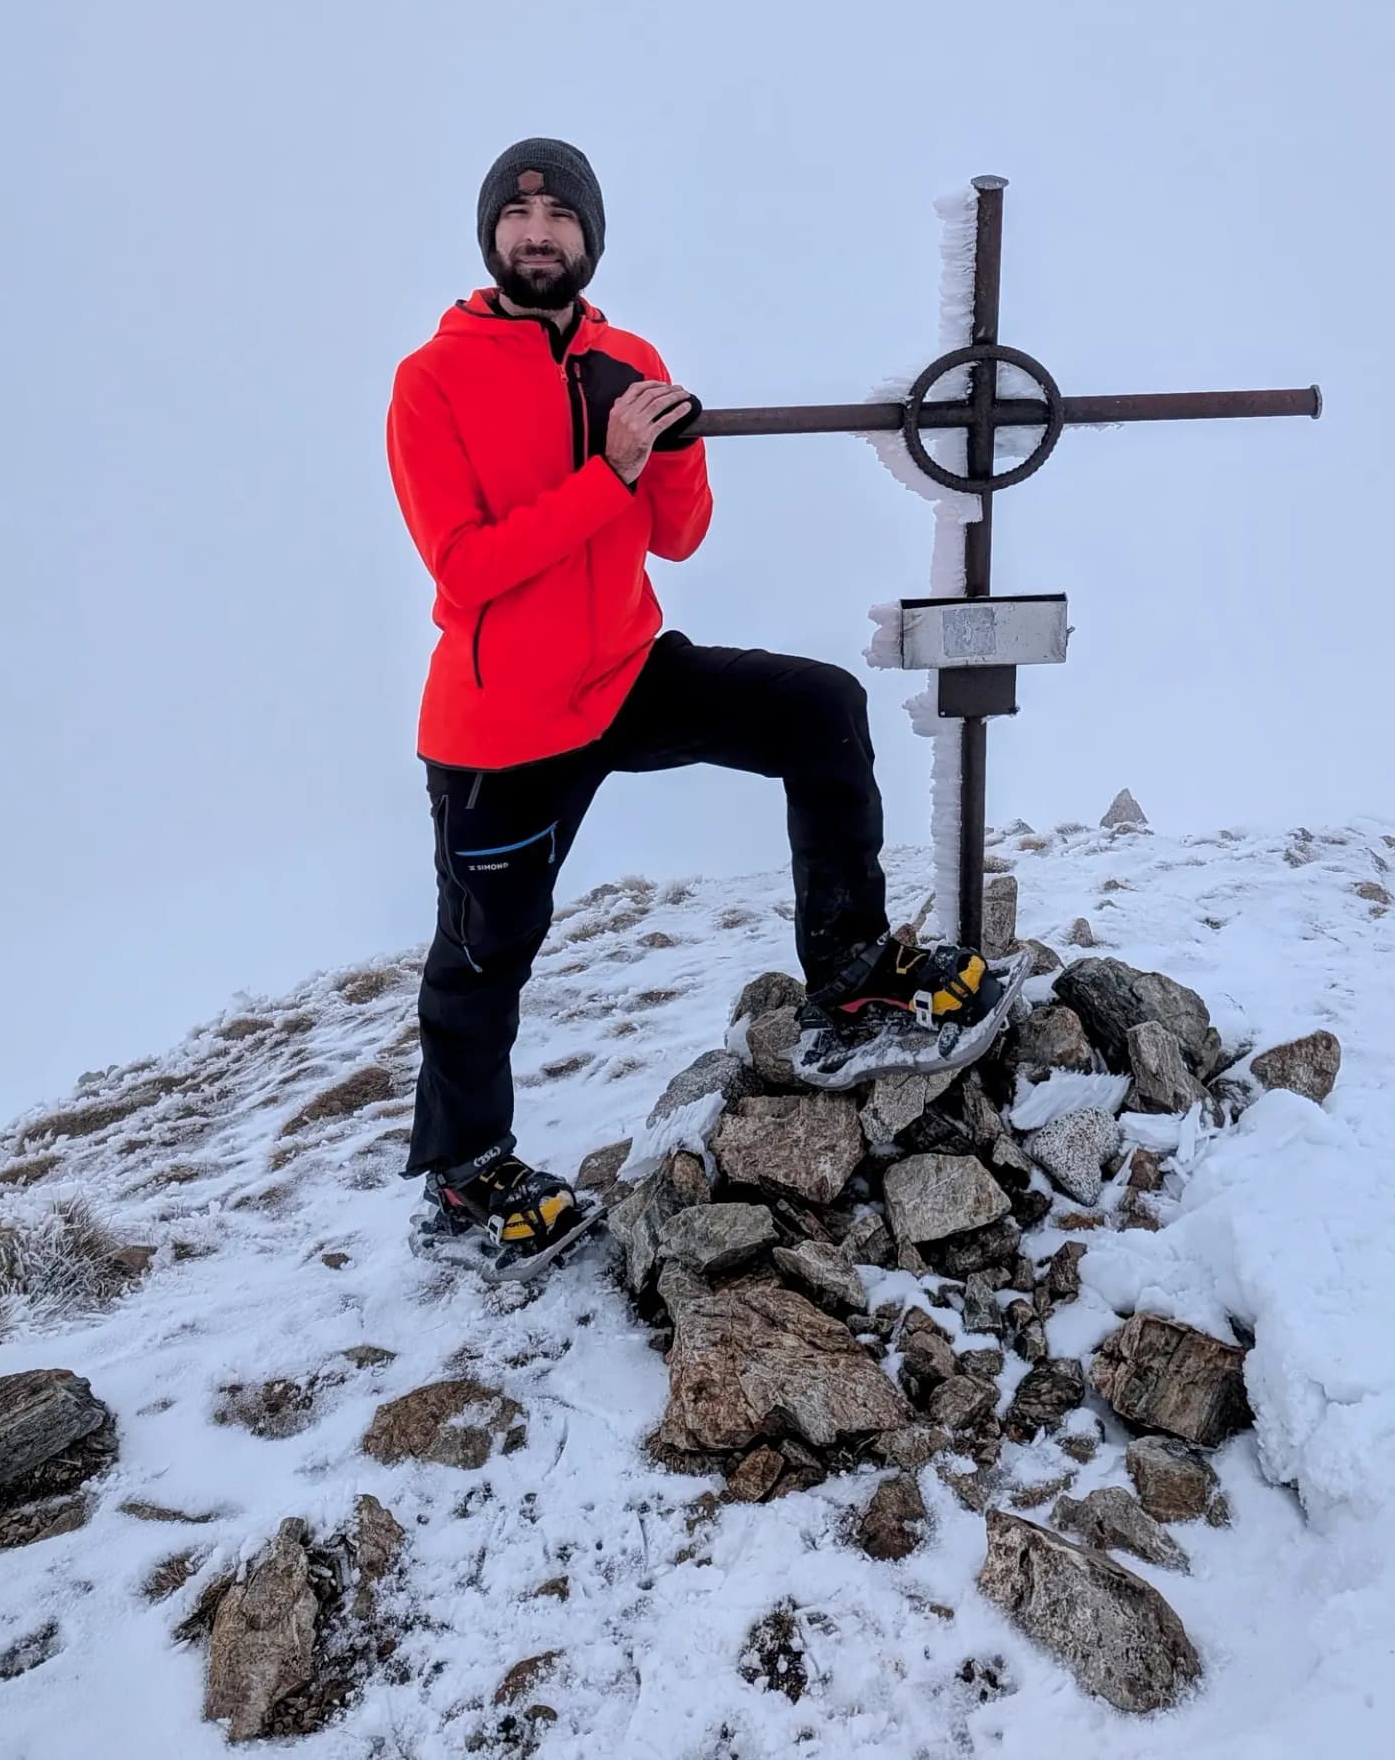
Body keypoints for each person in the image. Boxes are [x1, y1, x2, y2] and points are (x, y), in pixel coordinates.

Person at [387, 138, 1003, 1277]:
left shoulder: (629, 354)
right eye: (517, 214)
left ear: (589, 236)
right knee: (484, 957)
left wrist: (666, 452)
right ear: (492, 239)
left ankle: (852, 971)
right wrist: (607, 472)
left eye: (558, 212)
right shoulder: (433, 379)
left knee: (819, 709)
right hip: (504, 723)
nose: (537, 230)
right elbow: (466, 567)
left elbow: (679, 533)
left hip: (623, 674)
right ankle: (468, 1166)